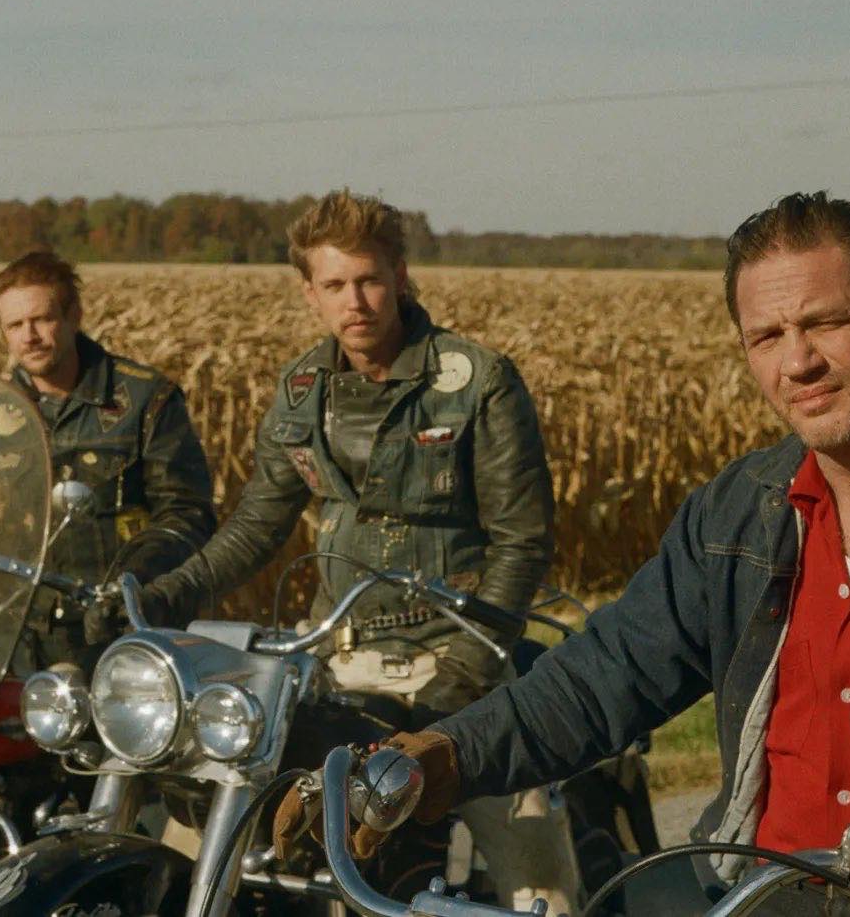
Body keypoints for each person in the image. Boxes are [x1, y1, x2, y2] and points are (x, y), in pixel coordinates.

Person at [299, 192, 850, 916]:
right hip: (764, 901)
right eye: (767, 337)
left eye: (825, 322)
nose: (798, 362)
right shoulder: (734, 515)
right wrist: (434, 761)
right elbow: (597, 680)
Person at [138, 189, 582, 913]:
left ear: (401, 276)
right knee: (203, 836)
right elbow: (258, 523)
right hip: (335, 664)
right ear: (309, 293)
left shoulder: (473, 382)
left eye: (370, 279)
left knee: (533, 867)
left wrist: (464, 679)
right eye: (336, 285)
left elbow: (521, 541)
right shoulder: (302, 392)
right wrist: (168, 595)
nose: (357, 301)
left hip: (459, 662)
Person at [0, 251, 216, 667]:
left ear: (74, 316)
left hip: (119, 632)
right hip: (16, 633)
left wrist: (131, 585)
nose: (30, 336)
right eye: (15, 325)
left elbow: (188, 514)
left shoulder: (144, 400)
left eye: (42, 319)